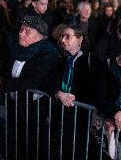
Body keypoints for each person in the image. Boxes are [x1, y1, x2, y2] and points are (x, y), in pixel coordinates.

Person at [0, 15, 59, 159]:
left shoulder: (47, 53)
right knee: (16, 140)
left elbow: (33, 81)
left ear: (39, 36)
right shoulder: (18, 48)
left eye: (27, 31)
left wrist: (3, 84)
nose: (21, 33)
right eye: (21, 30)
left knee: (34, 144)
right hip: (16, 103)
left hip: (35, 108)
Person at [51, 23, 94, 159]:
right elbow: (49, 81)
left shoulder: (91, 61)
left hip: (81, 117)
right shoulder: (61, 59)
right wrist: (59, 93)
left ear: (80, 40)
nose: (63, 40)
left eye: (68, 37)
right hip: (61, 114)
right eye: (62, 36)